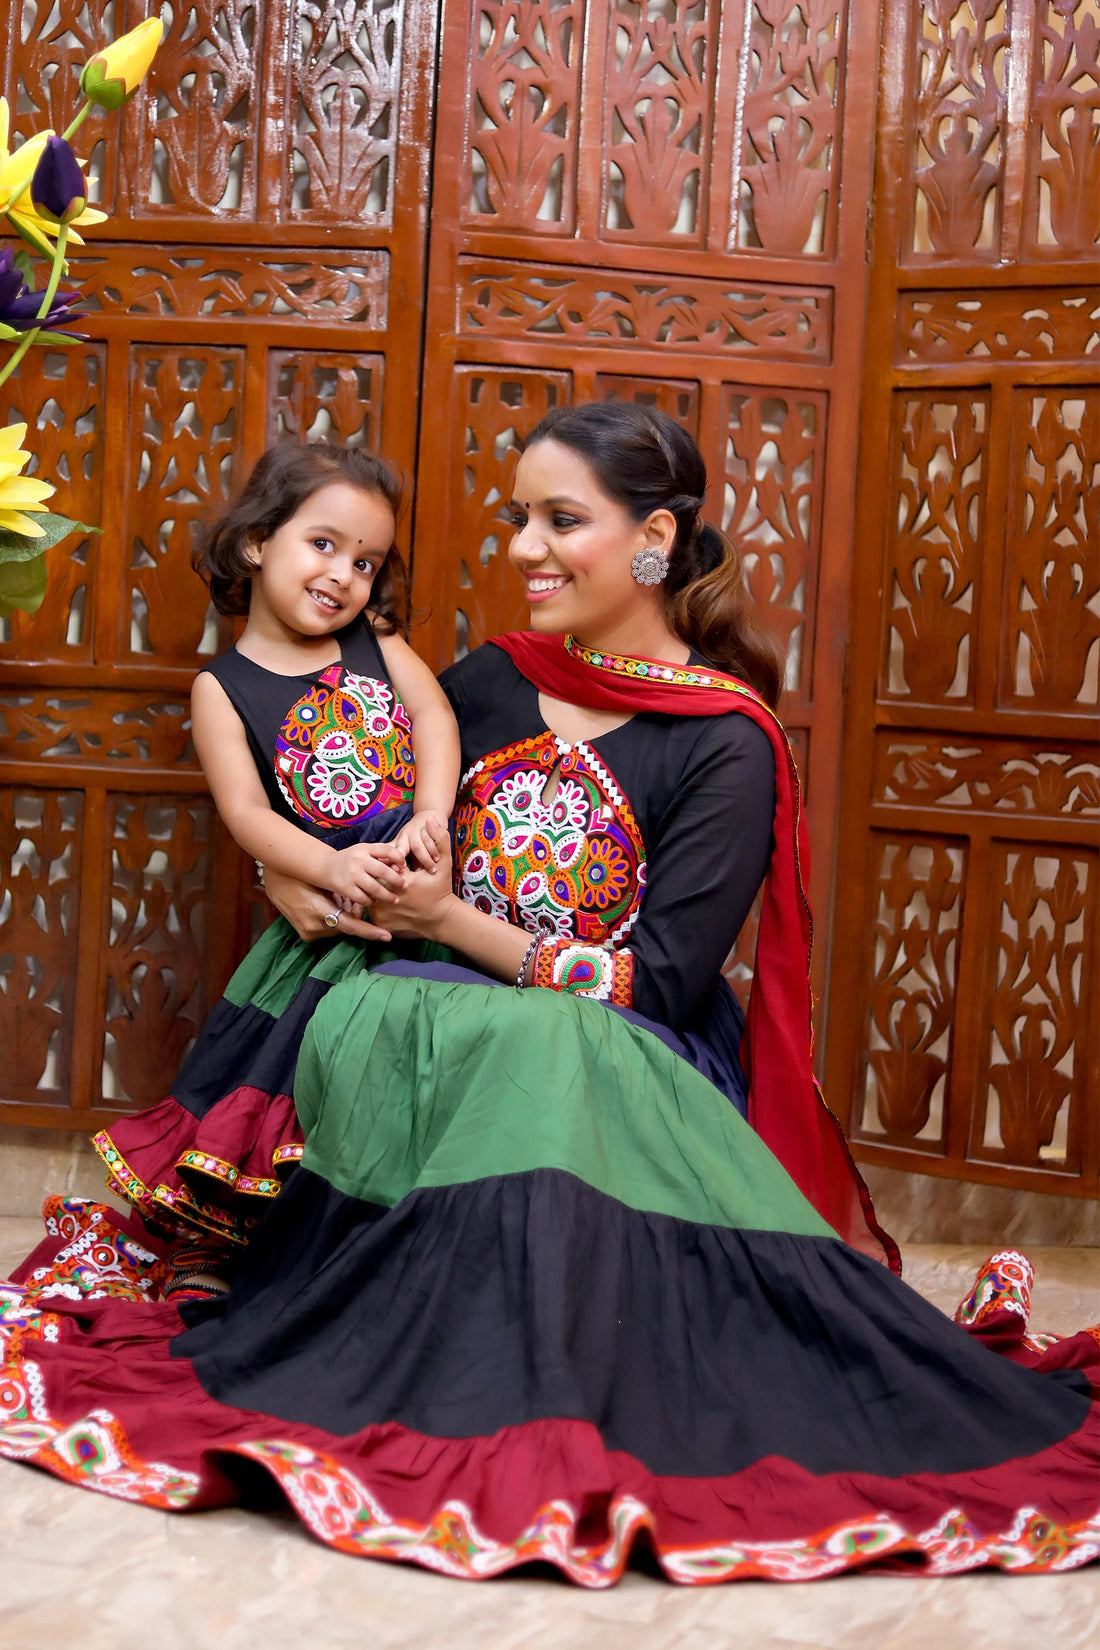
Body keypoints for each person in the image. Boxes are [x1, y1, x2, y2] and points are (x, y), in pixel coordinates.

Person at [1, 405, 1096, 1587]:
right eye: (518, 517)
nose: (521, 547)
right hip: (420, 1012)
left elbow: (665, 985)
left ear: (654, 541)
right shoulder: (482, 682)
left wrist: (452, 925)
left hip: (617, 1050)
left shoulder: (724, 743)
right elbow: (341, 805)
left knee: (546, 1049)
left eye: (559, 520)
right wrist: (289, 866)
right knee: (459, 1034)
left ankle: (509, 1392)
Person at [92, 442, 460, 1289]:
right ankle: (229, 1244)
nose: (344, 575)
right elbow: (248, 814)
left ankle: (375, 1252)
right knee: (285, 1074)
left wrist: (432, 811)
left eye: (365, 562)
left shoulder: (375, 642)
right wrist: (330, 869)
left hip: (420, 887)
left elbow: (434, 715)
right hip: (330, 913)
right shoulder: (222, 688)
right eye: (323, 545)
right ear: (257, 541)